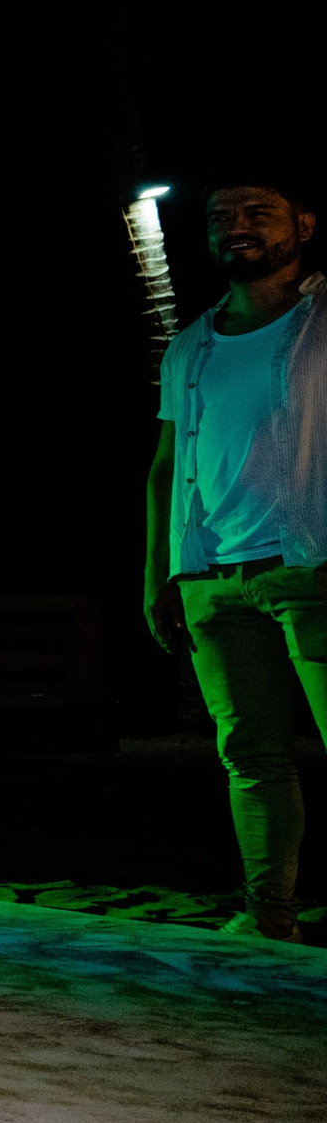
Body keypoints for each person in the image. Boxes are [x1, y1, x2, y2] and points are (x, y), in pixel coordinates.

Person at [145, 176, 327, 943]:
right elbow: (164, 465)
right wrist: (159, 571)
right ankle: (268, 914)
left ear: (304, 225)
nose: (238, 227)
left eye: (259, 212)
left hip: (309, 563)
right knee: (250, 756)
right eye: (224, 217)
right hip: (213, 576)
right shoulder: (191, 344)